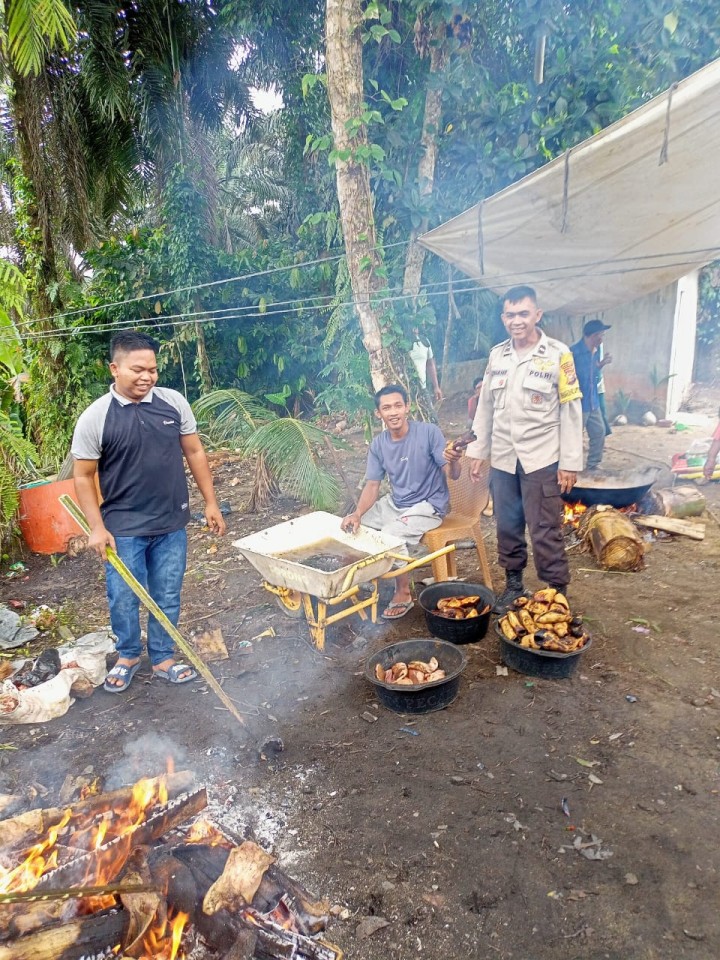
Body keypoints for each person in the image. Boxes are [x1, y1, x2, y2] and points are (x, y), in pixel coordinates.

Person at [72, 331, 227, 693]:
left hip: (172, 521)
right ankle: (127, 656)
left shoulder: (172, 403)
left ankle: (162, 657)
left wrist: (210, 502)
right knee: (124, 596)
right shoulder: (96, 417)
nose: (147, 377)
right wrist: (96, 527)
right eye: (137, 369)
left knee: (168, 592)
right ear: (115, 368)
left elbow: (195, 453)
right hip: (124, 527)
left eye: (153, 370)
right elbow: (83, 476)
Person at [466, 285, 583, 614]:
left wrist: (570, 462)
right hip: (503, 458)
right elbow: (485, 408)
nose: (517, 321)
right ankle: (514, 585)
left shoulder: (558, 355)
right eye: (510, 315)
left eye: (523, 314)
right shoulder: (497, 355)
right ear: (503, 317)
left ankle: (556, 591)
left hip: (541, 458)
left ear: (537, 315)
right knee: (507, 523)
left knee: (545, 526)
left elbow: (571, 409)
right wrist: (478, 451)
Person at [341, 384, 461, 620]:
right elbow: (372, 485)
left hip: (428, 505)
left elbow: (453, 473)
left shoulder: (428, 433)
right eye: (387, 407)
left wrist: (455, 460)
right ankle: (365, 578)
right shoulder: (378, 444)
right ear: (379, 413)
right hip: (396, 503)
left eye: (398, 405)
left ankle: (403, 591)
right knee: (353, 528)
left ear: (407, 407)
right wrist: (356, 514)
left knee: (390, 535)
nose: (393, 412)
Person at [570, 319, 613, 470]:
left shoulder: (596, 352)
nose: (601, 339)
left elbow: (592, 372)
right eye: (600, 335)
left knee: (599, 432)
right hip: (577, 403)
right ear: (592, 336)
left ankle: (593, 465)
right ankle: (570, 468)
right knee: (574, 438)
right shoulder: (573, 352)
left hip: (593, 401)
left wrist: (601, 364)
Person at [409, 326, 443, 404]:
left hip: (422, 388)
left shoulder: (425, 341)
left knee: (430, 414)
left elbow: (430, 364)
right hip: (406, 388)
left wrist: (436, 387)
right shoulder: (401, 343)